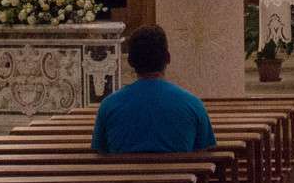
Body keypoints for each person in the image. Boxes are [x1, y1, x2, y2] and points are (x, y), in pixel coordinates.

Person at [92, 24, 216, 154]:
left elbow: (101, 153)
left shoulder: (109, 105)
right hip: (178, 168)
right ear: (168, 58)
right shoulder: (193, 105)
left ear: (130, 61)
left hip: (126, 169)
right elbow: (203, 155)